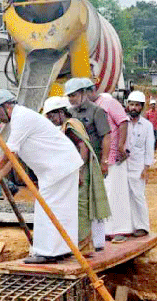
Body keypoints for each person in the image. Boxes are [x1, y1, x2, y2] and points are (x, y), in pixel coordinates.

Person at [0, 90, 82, 264]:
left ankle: (47, 252)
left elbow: (8, 154)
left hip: (58, 167)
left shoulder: (21, 118)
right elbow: (14, 157)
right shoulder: (20, 119)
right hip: (61, 166)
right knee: (62, 210)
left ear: (6, 106)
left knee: (45, 209)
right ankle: (63, 249)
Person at [44, 96, 110, 254]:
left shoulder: (71, 126)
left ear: (61, 112)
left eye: (52, 115)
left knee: (81, 207)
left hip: (80, 171)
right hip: (76, 170)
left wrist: (79, 171)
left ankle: (83, 246)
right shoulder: (70, 124)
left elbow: (83, 148)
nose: (51, 119)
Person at [83, 78, 133, 240]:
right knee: (104, 195)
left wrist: (120, 146)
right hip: (99, 158)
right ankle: (105, 231)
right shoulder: (88, 108)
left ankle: (119, 230)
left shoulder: (109, 102)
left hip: (114, 157)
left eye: (84, 93)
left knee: (117, 194)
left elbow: (123, 122)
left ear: (91, 91)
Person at [65, 77, 111, 246]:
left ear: (84, 93)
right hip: (74, 163)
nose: (72, 99)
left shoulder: (97, 112)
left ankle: (98, 243)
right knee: (78, 202)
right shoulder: (69, 113)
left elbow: (106, 136)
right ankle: (79, 240)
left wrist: (105, 161)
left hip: (93, 162)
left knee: (95, 200)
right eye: (69, 96)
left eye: (74, 95)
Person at [123, 91, 155, 239]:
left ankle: (142, 227)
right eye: (131, 104)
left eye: (136, 105)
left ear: (141, 107)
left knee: (138, 196)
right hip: (122, 166)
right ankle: (127, 226)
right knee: (124, 196)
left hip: (138, 167)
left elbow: (149, 148)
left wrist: (146, 169)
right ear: (127, 105)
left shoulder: (147, 126)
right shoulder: (122, 123)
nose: (133, 107)